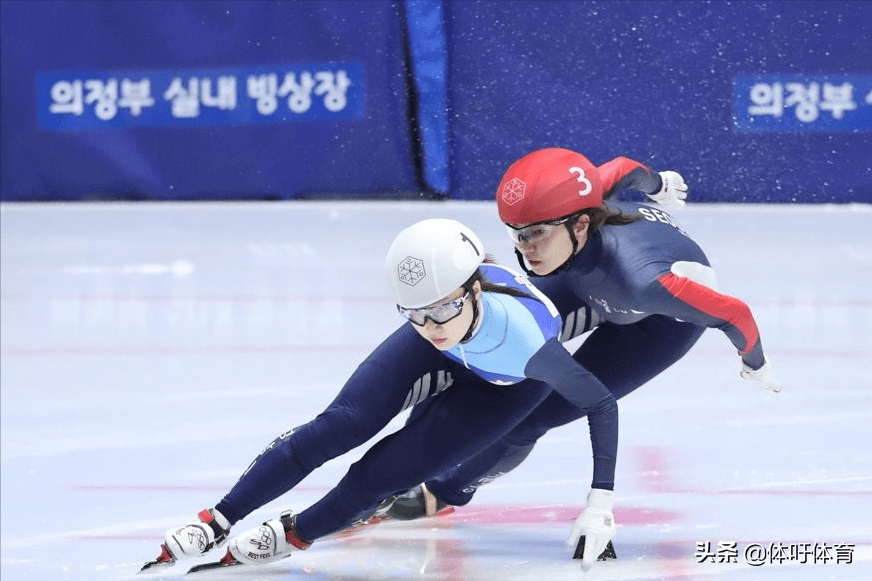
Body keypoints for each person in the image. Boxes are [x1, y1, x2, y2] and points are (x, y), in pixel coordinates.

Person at [142, 217, 621, 573]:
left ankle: (297, 534)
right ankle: (218, 519)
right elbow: (432, 320)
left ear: (475, 290)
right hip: (461, 350)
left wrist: (599, 504)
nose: (432, 326)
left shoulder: (527, 343)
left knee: (380, 478)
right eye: (414, 313)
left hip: (503, 389)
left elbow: (600, 402)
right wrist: (427, 317)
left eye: (442, 310)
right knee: (339, 426)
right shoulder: (432, 321)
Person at [379, 147, 782, 554]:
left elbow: (735, 313)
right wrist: (659, 183)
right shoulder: (586, 191)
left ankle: (445, 492)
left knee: (530, 417)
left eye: (537, 233)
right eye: (518, 233)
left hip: (657, 326)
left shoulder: (642, 282)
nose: (525, 247)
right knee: (475, 351)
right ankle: (404, 468)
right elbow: (627, 168)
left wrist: (756, 363)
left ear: (580, 223)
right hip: (584, 274)